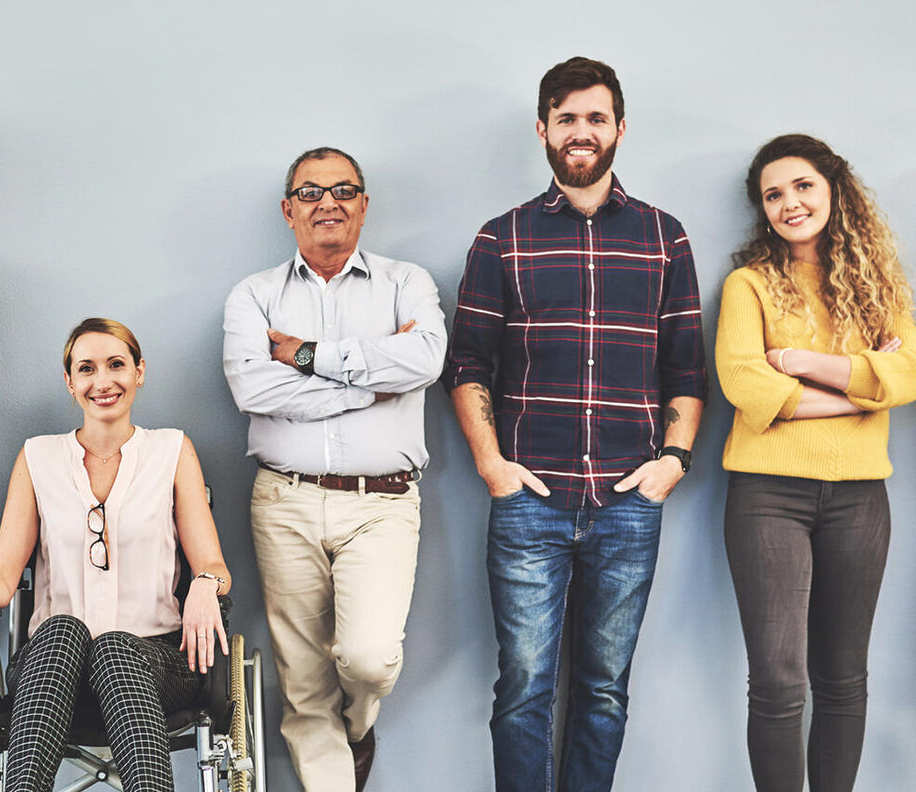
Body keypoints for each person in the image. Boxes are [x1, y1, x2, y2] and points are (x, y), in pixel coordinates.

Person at [446, 56, 707, 791]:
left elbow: (686, 369)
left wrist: (675, 462)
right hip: (529, 501)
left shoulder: (665, 237)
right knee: (524, 687)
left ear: (620, 129)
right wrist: (494, 467)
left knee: (603, 688)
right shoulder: (503, 239)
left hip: (630, 502)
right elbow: (468, 366)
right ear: (542, 131)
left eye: (596, 118)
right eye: (567, 119)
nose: (581, 131)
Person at [222, 147, 446, 792]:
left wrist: (306, 356)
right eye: (312, 192)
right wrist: (371, 381)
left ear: (364, 205)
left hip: (383, 504)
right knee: (303, 681)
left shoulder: (409, 283)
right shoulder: (254, 295)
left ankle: (359, 725)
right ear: (288, 210)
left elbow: (425, 360)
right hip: (284, 500)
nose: (329, 202)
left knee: (369, 660)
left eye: (344, 190)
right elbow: (255, 393)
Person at [715, 133, 916, 792]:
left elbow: (908, 372)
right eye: (774, 194)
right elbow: (746, 387)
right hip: (768, 497)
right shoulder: (748, 285)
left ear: (833, 187)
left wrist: (801, 366)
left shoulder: (880, 284)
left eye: (802, 186)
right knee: (777, 677)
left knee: (843, 677)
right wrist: (862, 390)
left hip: (860, 500)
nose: (789, 203)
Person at [0, 317, 231, 792]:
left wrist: (205, 585)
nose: (103, 381)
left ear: (139, 372)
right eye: (86, 369)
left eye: (116, 364)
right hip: (51, 670)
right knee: (63, 630)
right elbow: (2, 571)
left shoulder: (172, 450)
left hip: (154, 662)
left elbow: (213, 566)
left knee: (115, 647)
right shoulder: (38, 457)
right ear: (70, 383)